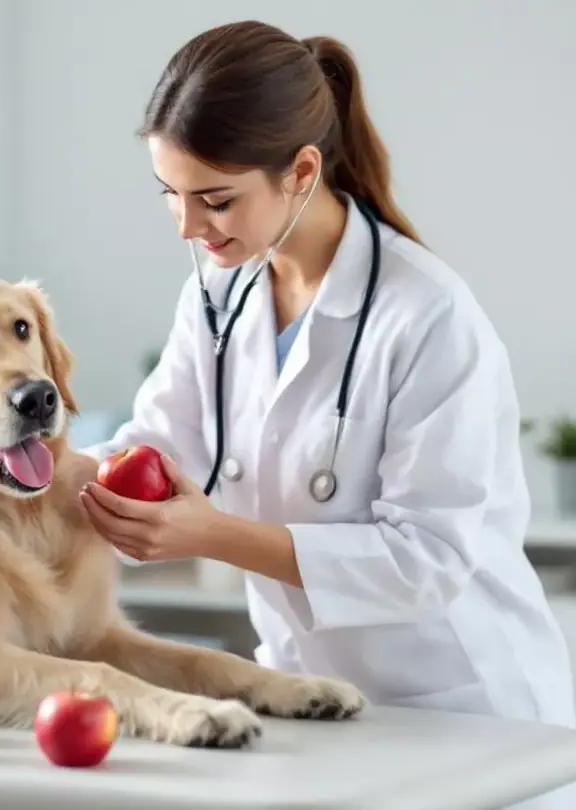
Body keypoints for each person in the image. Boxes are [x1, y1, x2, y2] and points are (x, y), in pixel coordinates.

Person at [74, 19, 576, 809]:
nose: (188, 228)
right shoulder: (217, 294)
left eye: (215, 199)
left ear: (302, 171)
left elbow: (428, 560)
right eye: (170, 195)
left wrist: (213, 535)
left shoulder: (428, 316)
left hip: (468, 716)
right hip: (322, 709)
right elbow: (152, 448)